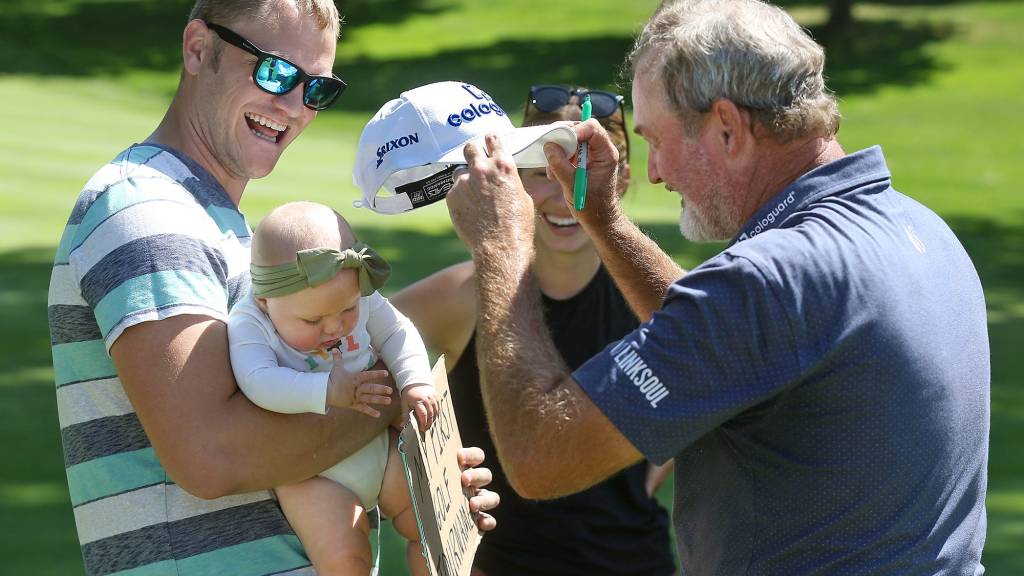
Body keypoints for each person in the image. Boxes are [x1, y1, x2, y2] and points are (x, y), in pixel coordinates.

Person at [443, 1, 990, 575]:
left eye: (656, 140)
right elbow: (728, 348)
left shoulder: (771, 280)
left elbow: (540, 458)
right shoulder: (915, 226)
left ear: (727, 127)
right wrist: (603, 220)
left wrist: (502, 249)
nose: (653, 173)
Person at [46, 2, 496, 575]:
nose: (293, 106)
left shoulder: (224, 226)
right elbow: (211, 454)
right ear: (197, 48)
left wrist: (415, 468)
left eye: (317, 89)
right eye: (276, 72)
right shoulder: (147, 210)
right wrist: (388, 404)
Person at [393, 86, 677, 576]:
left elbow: (714, 380)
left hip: (636, 562)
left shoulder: (649, 293)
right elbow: (352, 363)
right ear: (513, 177)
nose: (565, 192)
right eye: (543, 173)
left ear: (621, 176)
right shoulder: (462, 297)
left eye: (580, 170)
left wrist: (637, 478)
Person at [228, 201, 438, 575]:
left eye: (347, 311)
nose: (335, 328)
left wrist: (414, 383)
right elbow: (257, 380)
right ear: (264, 301)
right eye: (312, 319)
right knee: (345, 560)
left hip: (378, 446)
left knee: (430, 525)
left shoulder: (354, 294)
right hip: (310, 472)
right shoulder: (249, 322)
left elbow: (396, 331)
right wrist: (327, 390)